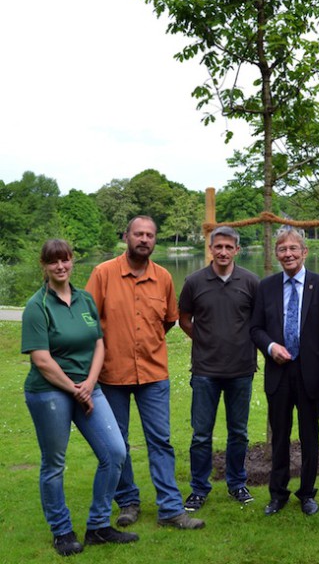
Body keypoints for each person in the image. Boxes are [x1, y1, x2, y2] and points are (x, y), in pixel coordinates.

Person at [22, 239, 138, 557]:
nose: (61, 266)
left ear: (73, 261)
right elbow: (41, 359)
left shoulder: (86, 299)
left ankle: (99, 526)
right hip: (49, 392)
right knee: (54, 464)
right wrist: (75, 389)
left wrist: (89, 383)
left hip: (87, 387)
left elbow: (99, 343)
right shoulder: (37, 306)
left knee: (115, 453)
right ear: (44, 266)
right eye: (53, 261)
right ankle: (62, 531)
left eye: (66, 260)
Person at [85, 216, 203, 531]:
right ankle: (128, 502)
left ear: (154, 240)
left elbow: (167, 319)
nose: (144, 239)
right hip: (112, 375)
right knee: (117, 443)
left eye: (150, 235)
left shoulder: (163, 277)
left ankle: (171, 510)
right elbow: (87, 322)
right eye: (139, 234)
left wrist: (144, 342)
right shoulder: (103, 274)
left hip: (153, 375)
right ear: (126, 236)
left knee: (160, 441)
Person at [251, 230, 319, 516]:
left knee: (310, 435)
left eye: (293, 249)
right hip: (279, 371)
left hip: (311, 373)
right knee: (279, 436)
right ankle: (278, 494)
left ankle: (307, 494)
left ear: (305, 252)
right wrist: (271, 346)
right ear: (276, 254)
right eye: (281, 249)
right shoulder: (267, 287)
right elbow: (255, 329)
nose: (287, 254)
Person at [178, 226, 259, 510]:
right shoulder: (194, 282)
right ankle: (199, 488)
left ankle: (237, 484)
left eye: (229, 247)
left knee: (239, 432)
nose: (223, 252)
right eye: (218, 247)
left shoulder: (250, 282)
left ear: (237, 250)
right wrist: (205, 340)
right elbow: (184, 319)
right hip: (205, 371)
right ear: (210, 249)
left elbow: (258, 322)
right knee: (201, 433)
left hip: (241, 370)